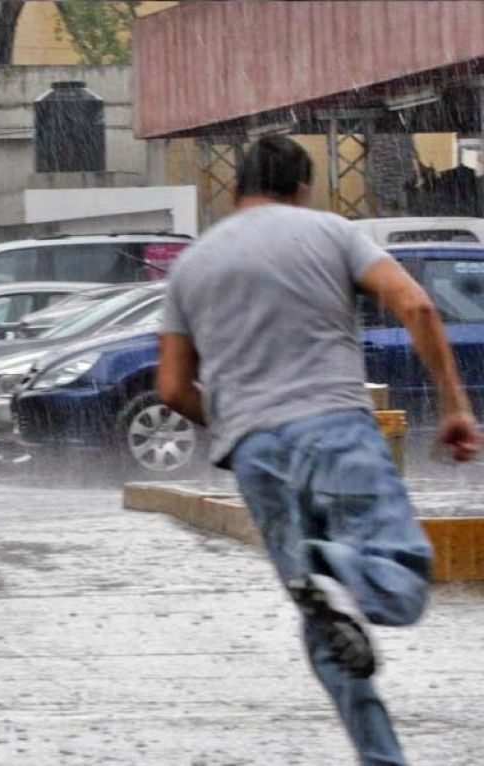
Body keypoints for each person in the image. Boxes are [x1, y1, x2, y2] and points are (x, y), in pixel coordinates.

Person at [157, 136, 480, 765]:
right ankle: (337, 567)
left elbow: (170, 387)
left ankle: (379, 752)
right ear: (303, 188)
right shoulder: (332, 232)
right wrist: (455, 406)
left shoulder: (191, 265)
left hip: (255, 455)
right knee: (402, 576)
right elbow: (415, 303)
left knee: (326, 629)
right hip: (336, 427)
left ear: (234, 190)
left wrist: (233, 423)